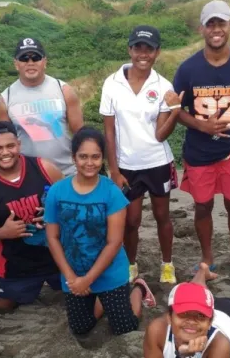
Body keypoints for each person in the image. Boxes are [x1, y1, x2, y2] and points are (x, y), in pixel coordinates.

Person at [172, 0, 230, 278]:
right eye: (210, 23)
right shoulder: (187, 70)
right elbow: (175, 111)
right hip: (199, 152)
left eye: (221, 23)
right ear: (202, 28)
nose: (216, 29)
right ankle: (207, 259)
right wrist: (202, 125)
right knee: (203, 206)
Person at [44, 126, 156, 336]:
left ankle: (138, 289)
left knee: (124, 327)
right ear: (73, 157)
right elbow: (52, 237)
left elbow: (114, 242)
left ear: (102, 158)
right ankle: (101, 300)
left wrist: (87, 280)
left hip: (108, 272)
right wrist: (72, 278)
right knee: (81, 328)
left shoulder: (111, 193)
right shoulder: (57, 192)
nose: (89, 162)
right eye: (83, 156)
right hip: (73, 273)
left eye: (95, 157)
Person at [99, 25, 184, 284]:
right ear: (130, 49)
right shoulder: (112, 84)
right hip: (126, 166)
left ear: (157, 52)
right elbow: (109, 132)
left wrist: (176, 110)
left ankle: (167, 265)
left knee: (162, 217)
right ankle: (131, 265)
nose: (143, 54)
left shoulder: (163, 85)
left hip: (157, 162)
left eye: (149, 49)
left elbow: (160, 135)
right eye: (138, 48)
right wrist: (114, 170)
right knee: (132, 220)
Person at [0, 121, 65, 310]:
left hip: (56, 253)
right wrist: (2, 233)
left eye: (10, 146)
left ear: (19, 145)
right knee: (4, 305)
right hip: (18, 261)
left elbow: (72, 205)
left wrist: (54, 216)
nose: (5, 152)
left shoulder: (44, 168)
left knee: (76, 291)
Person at [143, 262, 230, 358]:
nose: (191, 321)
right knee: (195, 291)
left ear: (210, 321)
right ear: (169, 317)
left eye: (199, 316)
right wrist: (182, 354)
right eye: (183, 314)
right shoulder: (157, 330)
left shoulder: (219, 344)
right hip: (205, 306)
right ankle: (203, 271)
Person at [0, 37, 84, 177]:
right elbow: (4, 144)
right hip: (29, 177)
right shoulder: (5, 99)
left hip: (67, 173)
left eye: (35, 57)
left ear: (44, 62)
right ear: (16, 64)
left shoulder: (64, 90)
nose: (30, 63)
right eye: (24, 58)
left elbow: (81, 135)